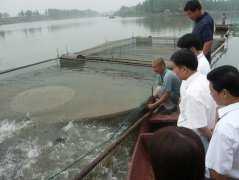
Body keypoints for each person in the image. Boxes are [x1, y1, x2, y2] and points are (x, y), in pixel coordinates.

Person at [170, 49, 217, 151]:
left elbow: (201, 127)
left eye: (174, 68)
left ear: (184, 69)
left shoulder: (192, 93)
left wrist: (213, 141)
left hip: (196, 139)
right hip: (207, 130)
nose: (173, 72)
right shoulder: (205, 79)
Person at [206, 65, 239, 179]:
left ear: (224, 93)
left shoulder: (226, 126)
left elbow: (217, 172)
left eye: (211, 91)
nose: (211, 95)